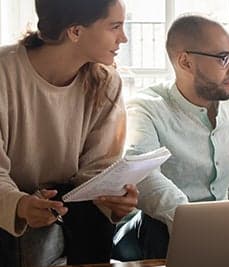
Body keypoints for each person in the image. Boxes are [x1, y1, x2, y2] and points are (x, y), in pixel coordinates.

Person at [111, 15, 229, 260]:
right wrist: (193, 224)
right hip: (160, 225)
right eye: (223, 58)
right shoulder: (145, 107)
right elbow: (144, 176)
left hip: (222, 222)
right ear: (185, 62)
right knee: (156, 223)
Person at [0, 0, 138, 266]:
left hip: (68, 211)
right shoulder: (5, 73)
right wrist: (20, 205)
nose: (124, 37)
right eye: (115, 26)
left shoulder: (108, 82)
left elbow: (98, 169)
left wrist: (114, 201)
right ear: (75, 32)